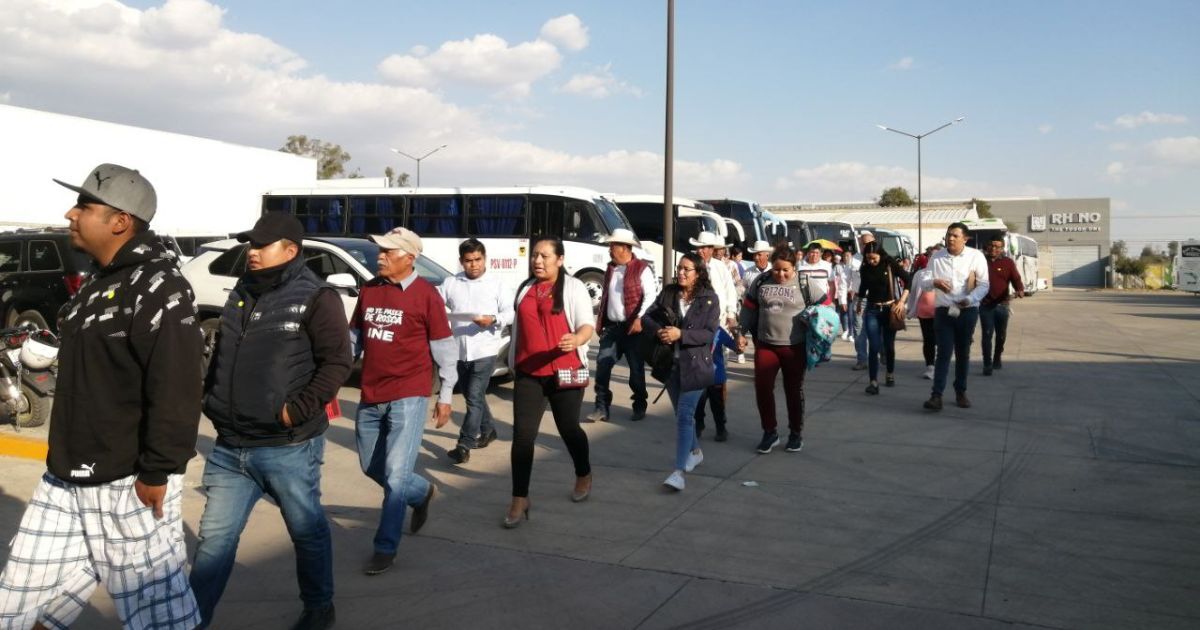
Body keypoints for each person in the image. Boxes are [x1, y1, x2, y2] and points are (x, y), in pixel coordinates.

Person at [0, 164, 202, 629]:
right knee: (19, 598)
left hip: (126, 481)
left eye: (85, 206)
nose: (71, 213)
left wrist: (157, 470)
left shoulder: (161, 286)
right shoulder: (96, 283)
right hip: (64, 475)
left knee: (159, 616)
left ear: (120, 221)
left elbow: (176, 386)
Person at [192, 212, 351, 629]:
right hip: (230, 445)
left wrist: (297, 409)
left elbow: (337, 362)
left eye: (262, 245)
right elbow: (222, 352)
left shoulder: (317, 297)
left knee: (306, 531)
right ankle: (190, 620)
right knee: (214, 541)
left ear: (291, 250)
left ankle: (319, 607)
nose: (253, 252)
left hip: (288, 445)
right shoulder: (240, 291)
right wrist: (210, 398)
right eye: (251, 244)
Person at [351, 227, 458, 575]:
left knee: (396, 476)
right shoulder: (369, 289)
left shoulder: (427, 295)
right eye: (380, 250)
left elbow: (445, 350)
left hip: (409, 394)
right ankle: (421, 493)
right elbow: (355, 340)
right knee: (372, 466)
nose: (379, 256)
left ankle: (385, 547)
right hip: (371, 394)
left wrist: (444, 396)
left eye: (388, 252)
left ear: (409, 259)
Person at [505, 236, 596, 528]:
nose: (538, 261)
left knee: (568, 429)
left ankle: (583, 472)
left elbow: (586, 325)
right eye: (535, 255)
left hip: (566, 371)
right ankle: (520, 497)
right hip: (529, 372)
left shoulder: (573, 287)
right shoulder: (525, 288)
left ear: (560, 259)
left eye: (545, 256)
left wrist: (577, 339)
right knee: (522, 438)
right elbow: (517, 325)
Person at [641, 252, 720, 490]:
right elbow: (647, 317)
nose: (681, 273)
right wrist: (660, 331)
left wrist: (681, 335)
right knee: (681, 416)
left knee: (686, 416)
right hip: (670, 365)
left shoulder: (709, 299)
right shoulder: (669, 292)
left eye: (687, 269)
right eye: (680, 268)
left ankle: (678, 472)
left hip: (696, 367)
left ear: (698, 273)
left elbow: (709, 333)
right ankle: (695, 452)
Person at [737, 245, 819, 454]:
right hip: (766, 345)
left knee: (793, 391)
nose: (780, 274)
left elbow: (826, 304)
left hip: (794, 348)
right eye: (776, 269)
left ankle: (795, 433)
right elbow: (748, 308)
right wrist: (741, 332)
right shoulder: (762, 281)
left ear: (794, 267)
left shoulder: (804, 282)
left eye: (785, 270)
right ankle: (769, 432)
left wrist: (818, 323)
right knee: (762, 388)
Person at [439, 238, 514, 464]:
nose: (474, 265)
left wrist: (493, 319)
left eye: (478, 260)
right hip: (460, 350)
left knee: (472, 396)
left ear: (485, 259)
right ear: (461, 261)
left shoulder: (497, 284)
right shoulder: (451, 283)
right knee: (476, 395)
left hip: (486, 349)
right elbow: (434, 302)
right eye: (469, 261)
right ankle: (488, 429)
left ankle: (465, 444)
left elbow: (511, 312)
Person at [588, 228, 657, 423]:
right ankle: (601, 406)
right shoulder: (611, 268)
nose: (610, 250)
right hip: (612, 328)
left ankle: (639, 404)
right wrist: (600, 321)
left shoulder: (641, 268)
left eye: (613, 246)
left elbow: (651, 296)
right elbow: (607, 298)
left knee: (636, 370)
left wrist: (639, 319)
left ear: (625, 248)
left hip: (632, 329)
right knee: (603, 364)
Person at [924, 223, 990, 411]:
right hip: (944, 312)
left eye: (954, 235)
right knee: (943, 353)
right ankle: (936, 395)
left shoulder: (975, 256)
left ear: (965, 238)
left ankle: (960, 391)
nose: (950, 239)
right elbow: (924, 281)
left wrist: (969, 299)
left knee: (963, 353)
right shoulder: (937, 257)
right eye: (948, 235)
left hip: (967, 312)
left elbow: (984, 284)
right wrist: (934, 281)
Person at [857, 242, 911, 394]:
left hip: (889, 310)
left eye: (874, 258)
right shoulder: (865, 268)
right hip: (872, 310)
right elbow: (863, 286)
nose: (871, 261)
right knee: (873, 346)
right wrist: (859, 302)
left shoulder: (889, 263)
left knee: (888, 346)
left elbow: (909, 279)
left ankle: (890, 373)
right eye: (868, 258)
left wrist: (902, 301)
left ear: (880, 254)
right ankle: (873, 382)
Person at [980, 235, 1025, 376]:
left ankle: (997, 357)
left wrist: (1020, 289)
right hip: (985, 305)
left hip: (1002, 305)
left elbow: (1016, 278)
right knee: (987, 335)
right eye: (991, 246)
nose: (994, 249)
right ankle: (987, 363)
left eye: (997, 246)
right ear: (987, 246)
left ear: (1002, 248)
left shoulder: (1008, 263)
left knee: (1001, 336)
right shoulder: (980, 261)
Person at [693, 325, 739, 442]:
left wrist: (737, 335)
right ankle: (699, 425)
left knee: (718, 406)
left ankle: (721, 428)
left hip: (716, 376)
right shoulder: (693, 328)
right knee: (698, 404)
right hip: (699, 375)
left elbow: (736, 347)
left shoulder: (718, 330)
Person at [906, 261, 939, 380]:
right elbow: (913, 291)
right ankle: (931, 367)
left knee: (939, 339)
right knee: (928, 339)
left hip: (941, 312)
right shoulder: (920, 274)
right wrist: (909, 308)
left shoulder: (945, 273)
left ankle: (940, 365)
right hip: (924, 312)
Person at [849, 231, 875, 369]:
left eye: (868, 243)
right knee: (859, 329)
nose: (865, 246)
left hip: (876, 299)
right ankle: (862, 359)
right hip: (859, 299)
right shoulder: (855, 259)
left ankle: (881, 352)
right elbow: (847, 278)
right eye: (863, 243)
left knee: (877, 330)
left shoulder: (881, 258)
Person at [833, 253, 852, 340]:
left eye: (848, 256)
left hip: (852, 292)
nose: (846, 257)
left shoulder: (853, 266)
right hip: (841, 291)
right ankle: (845, 330)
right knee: (843, 311)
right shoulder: (838, 266)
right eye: (844, 256)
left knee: (851, 313)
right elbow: (834, 277)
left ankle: (851, 332)